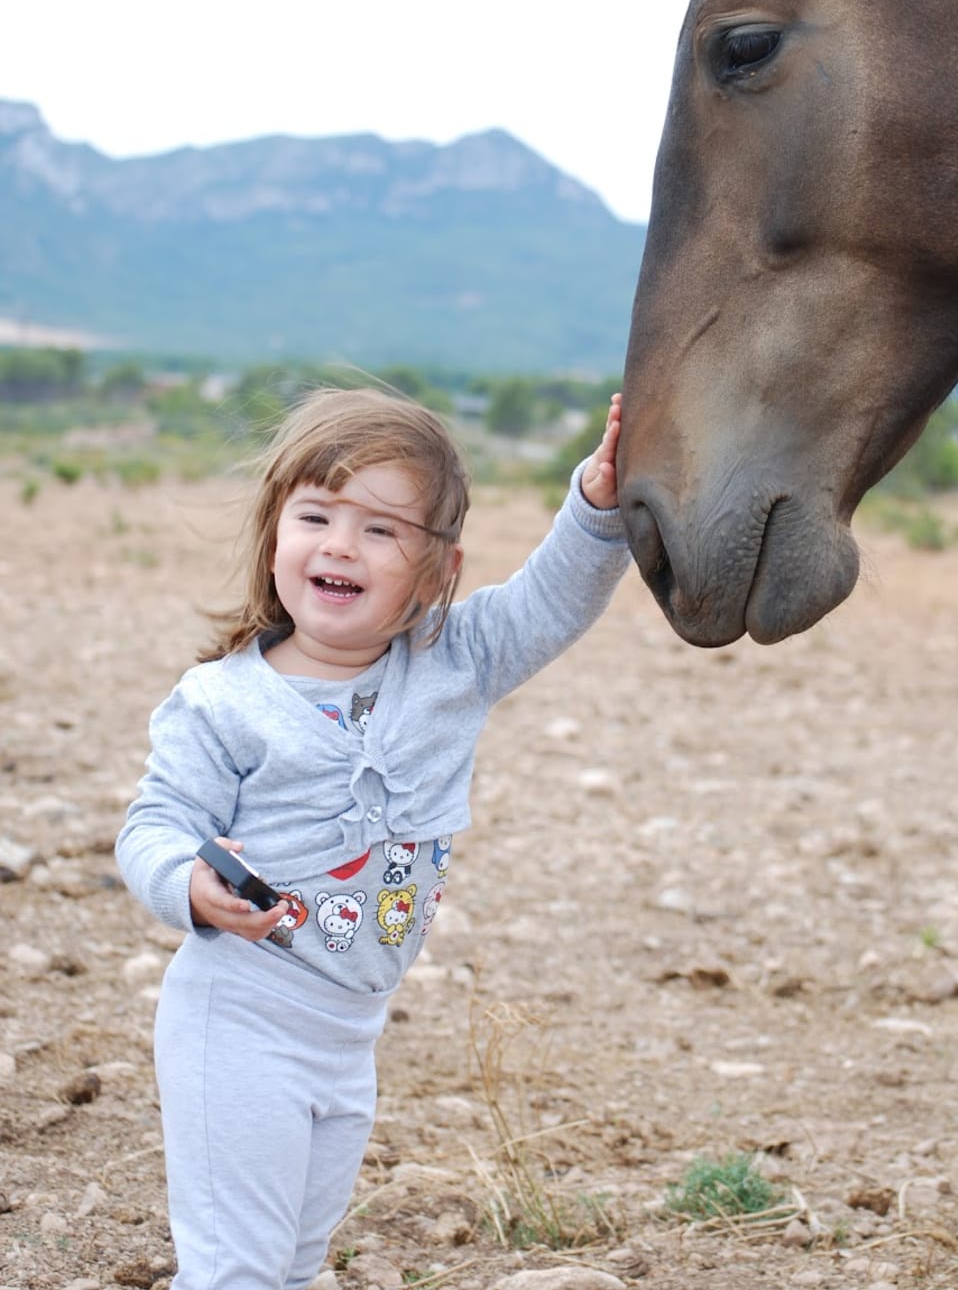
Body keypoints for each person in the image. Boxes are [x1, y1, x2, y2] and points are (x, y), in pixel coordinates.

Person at [117, 385, 628, 1290]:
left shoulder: (455, 661)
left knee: (298, 1264)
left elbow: (553, 598)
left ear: (436, 570)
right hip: (239, 1016)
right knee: (238, 1268)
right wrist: (185, 881)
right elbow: (154, 824)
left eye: (382, 529)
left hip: (350, 1031)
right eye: (315, 514)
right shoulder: (223, 703)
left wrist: (598, 500)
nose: (341, 543)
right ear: (277, 533)